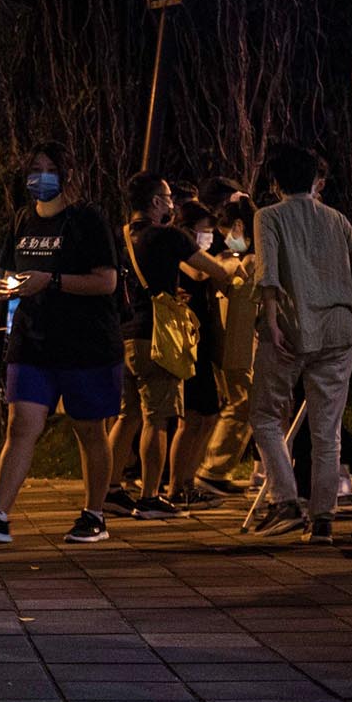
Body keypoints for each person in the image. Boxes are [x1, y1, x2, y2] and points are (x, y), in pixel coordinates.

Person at [0, 140, 120, 546]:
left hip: (86, 345)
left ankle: (94, 515)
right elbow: (11, 271)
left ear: (66, 174)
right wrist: (6, 287)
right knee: (21, 424)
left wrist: (54, 281)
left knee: (89, 430)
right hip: (32, 342)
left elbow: (107, 281)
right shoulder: (22, 220)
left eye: (49, 168)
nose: (40, 176)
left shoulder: (87, 220)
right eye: (34, 167)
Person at [246, 142, 352, 543]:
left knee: (265, 417)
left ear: (274, 183)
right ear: (316, 181)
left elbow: (267, 274)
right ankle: (322, 520)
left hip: (290, 328)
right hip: (340, 331)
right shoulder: (337, 219)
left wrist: (271, 324)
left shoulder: (268, 216)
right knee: (328, 429)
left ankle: (286, 502)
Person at [105, 173, 233, 519]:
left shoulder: (119, 236)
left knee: (126, 416)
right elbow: (213, 270)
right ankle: (149, 496)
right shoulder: (169, 236)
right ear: (155, 202)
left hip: (125, 335)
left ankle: (110, 490)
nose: (173, 204)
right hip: (157, 338)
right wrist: (236, 263)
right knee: (157, 419)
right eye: (168, 197)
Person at [163, 199, 239, 508]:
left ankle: (188, 482)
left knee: (207, 415)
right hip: (185, 342)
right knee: (190, 418)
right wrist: (222, 262)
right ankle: (176, 488)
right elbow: (199, 274)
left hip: (202, 339)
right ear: (187, 230)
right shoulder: (179, 253)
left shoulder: (195, 252)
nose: (208, 236)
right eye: (203, 231)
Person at [196, 186, 260, 494]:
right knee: (241, 403)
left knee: (240, 403)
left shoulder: (243, 260)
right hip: (237, 346)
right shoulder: (240, 261)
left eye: (225, 229)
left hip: (234, 342)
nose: (224, 236)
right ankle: (213, 470)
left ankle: (215, 470)